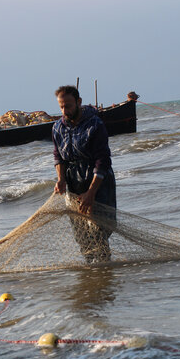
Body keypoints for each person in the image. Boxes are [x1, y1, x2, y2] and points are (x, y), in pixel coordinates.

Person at [52, 85, 116, 263]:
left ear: (79, 102)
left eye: (69, 105)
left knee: (99, 229)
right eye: (61, 106)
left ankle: (104, 270)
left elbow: (102, 161)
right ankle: (91, 275)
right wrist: (61, 179)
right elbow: (58, 156)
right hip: (74, 181)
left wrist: (91, 192)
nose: (65, 110)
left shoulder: (95, 125)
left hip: (97, 179)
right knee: (81, 233)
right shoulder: (57, 127)